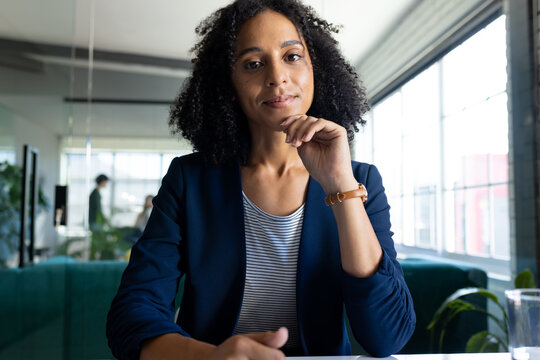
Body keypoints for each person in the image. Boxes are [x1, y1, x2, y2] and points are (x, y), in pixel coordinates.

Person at [107, 0, 416, 359]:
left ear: (318, 68)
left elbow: (387, 337)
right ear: (229, 85)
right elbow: (131, 314)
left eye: (292, 56)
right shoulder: (190, 180)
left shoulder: (359, 180)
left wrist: (339, 185)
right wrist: (209, 357)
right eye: (253, 64)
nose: (277, 77)